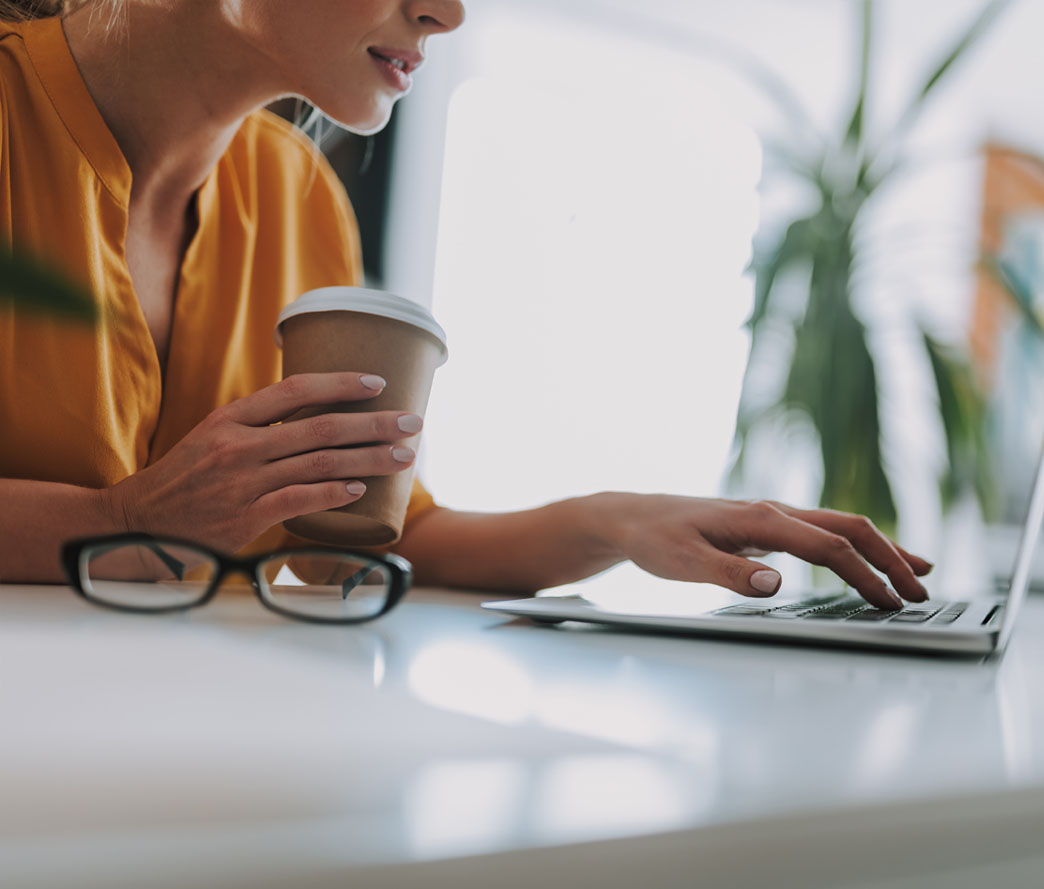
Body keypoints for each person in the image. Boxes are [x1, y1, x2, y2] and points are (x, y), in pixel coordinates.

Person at [0, 0, 932, 610]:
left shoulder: (293, 193)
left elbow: (379, 532)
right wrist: (125, 522)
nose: (446, 12)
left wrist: (621, 520)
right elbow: (159, 521)